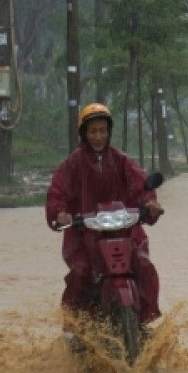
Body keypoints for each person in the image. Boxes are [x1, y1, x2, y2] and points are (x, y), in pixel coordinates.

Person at [46, 103, 164, 328]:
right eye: (93, 131)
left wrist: (150, 203)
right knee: (81, 273)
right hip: (84, 234)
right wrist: (60, 214)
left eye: (102, 131)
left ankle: (145, 319)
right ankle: (73, 325)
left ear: (109, 132)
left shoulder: (121, 160)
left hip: (125, 230)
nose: (98, 136)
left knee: (144, 265)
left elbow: (141, 185)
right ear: (84, 133)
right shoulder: (73, 164)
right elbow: (57, 192)